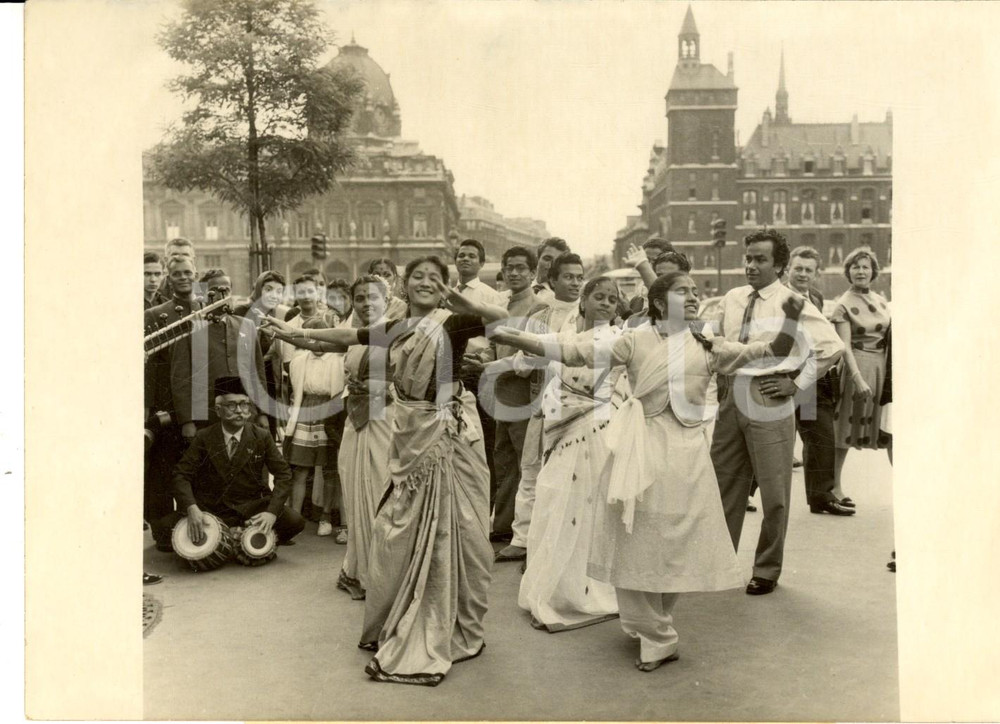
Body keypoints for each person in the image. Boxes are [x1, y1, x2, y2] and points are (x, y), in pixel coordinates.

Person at [492, 272, 805, 670]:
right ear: (659, 304)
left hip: (689, 455)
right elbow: (573, 352)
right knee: (635, 537)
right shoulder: (635, 340)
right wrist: (515, 338)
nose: (693, 297)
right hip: (641, 448)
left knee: (675, 544)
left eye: (695, 291)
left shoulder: (708, 345)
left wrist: (791, 320)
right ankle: (655, 633)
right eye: (683, 292)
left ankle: (653, 623)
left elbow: (771, 351)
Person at [264, 256, 508, 686]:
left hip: (447, 439)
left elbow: (503, 318)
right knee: (396, 531)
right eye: (418, 277)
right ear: (405, 285)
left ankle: (454, 625)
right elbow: (345, 336)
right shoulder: (396, 328)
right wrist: (297, 333)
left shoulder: (454, 323)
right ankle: (400, 616)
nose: (426, 283)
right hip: (408, 434)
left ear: (446, 285)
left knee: (460, 533)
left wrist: (462, 299)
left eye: (436, 278)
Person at [711, 229, 844, 595]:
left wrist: (797, 385)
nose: (751, 265)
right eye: (748, 258)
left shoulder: (793, 301)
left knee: (774, 492)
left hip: (770, 394)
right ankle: (718, 564)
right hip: (731, 396)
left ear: (780, 265)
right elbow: (714, 340)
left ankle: (766, 569)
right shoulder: (732, 297)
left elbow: (832, 348)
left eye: (760, 259)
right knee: (724, 487)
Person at [513, 276, 626, 632]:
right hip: (563, 434)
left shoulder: (618, 339)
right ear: (585, 301)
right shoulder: (567, 337)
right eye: (599, 297)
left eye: (612, 299)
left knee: (586, 510)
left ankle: (585, 593)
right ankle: (555, 589)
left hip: (597, 433)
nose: (606, 303)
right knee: (555, 503)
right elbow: (531, 347)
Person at [497, 251, 585, 562]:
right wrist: (493, 366)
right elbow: (523, 362)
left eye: (579, 277)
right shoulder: (538, 319)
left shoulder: (587, 315)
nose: (575, 283)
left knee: (573, 474)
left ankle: (565, 545)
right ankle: (523, 539)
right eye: (568, 277)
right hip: (541, 403)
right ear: (552, 280)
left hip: (579, 409)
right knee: (532, 469)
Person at [165, 376, 304, 553]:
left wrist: (271, 513)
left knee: (295, 521)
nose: (240, 411)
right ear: (218, 410)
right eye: (231, 405)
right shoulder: (204, 436)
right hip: (212, 510)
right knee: (163, 530)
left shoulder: (261, 436)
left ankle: (233, 538)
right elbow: (180, 475)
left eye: (244, 404)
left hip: (251, 509)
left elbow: (284, 474)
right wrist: (192, 508)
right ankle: (241, 539)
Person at [785, 247, 854, 516]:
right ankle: (744, 492)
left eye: (808, 270)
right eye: (798, 268)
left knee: (820, 436)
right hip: (788, 376)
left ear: (816, 273)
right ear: (788, 269)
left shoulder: (814, 296)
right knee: (775, 437)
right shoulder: (781, 298)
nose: (802, 274)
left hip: (813, 377)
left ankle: (821, 496)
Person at [143, 255, 205, 552]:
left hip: (199, 400)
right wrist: (150, 406)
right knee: (163, 468)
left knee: (194, 466)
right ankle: (163, 531)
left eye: (187, 272)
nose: (183, 277)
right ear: (169, 276)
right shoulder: (155, 314)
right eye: (176, 273)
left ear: (196, 274)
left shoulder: (206, 309)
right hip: (166, 402)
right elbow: (151, 365)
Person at [481, 246, 540, 542]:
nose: (515, 273)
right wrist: (483, 359)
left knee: (523, 462)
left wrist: (491, 364)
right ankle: (503, 525)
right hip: (500, 393)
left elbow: (528, 357)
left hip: (523, 393)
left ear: (533, 273)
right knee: (502, 459)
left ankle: (523, 531)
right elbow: (493, 345)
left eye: (521, 268)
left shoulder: (537, 307)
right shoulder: (502, 306)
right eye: (510, 268)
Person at [170, 269, 267, 441]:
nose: (221, 295)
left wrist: (261, 412)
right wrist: (186, 421)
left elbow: (257, 372)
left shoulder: (247, 325)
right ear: (204, 294)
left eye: (226, 290)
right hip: (205, 416)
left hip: (244, 413)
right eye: (214, 290)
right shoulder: (189, 328)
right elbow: (180, 378)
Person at [831, 247, 891, 507]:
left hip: (881, 367)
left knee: (890, 429)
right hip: (858, 366)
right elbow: (844, 346)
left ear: (873, 271)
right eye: (856, 266)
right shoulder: (843, 304)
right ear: (848, 271)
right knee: (844, 430)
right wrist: (857, 378)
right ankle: (834, 485)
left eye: (865, 266)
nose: (861, 271)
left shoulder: (880, 301)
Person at [454, 238, 506, 518]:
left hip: (477, 373)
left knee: (483, 442)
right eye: (461, 255)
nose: (465, 260)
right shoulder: (448, 294)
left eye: (471, 256)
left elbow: (497, 337)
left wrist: (483, 363)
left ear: (481, 263)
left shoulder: (489, 295)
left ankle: (484, 509)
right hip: (450, 373)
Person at [283, 317, 345, 528]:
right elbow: (295, 393)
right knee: (300, 469)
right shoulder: (298, 363)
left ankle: (326, 517)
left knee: (330, 469)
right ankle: (294, 518)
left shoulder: (339, 361)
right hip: (306, 412)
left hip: (330, 413)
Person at [532, 237, 571, 303]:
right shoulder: (522, 286)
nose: (551, 265)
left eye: (557, 262)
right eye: (547, 259)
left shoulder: (563, 299)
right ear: (537, 259)